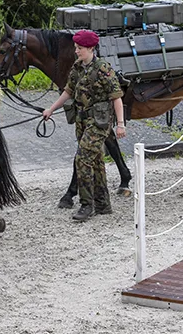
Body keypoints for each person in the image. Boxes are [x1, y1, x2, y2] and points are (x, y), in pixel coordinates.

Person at [43, 29, 126, 220]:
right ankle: (103, 205)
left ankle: (86, 205)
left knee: (82, 159)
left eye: (80, 48)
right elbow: (68, 91)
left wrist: (120, 124)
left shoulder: (104, 69)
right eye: (76, 47)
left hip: (99, 122)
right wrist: (51, 109)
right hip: (82, 121)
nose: (76, 51)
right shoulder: (77, 67)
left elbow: (117, 98)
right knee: (95, 160)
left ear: (90, 48)